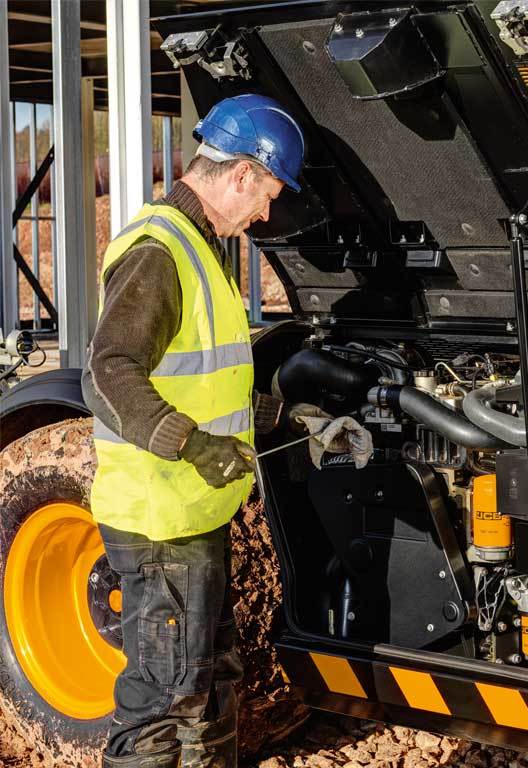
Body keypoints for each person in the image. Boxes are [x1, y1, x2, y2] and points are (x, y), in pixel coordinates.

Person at [82, 94, 319, 768]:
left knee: (207, 687)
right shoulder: (160, 250)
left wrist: (294, 421)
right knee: (162, 701)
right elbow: (107, 372)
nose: (265, 214)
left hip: (190, 516)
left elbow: (208, 387)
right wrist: (189, 443)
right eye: (267, 195)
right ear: (242, 174)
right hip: (159, 520)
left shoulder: (201, 248)